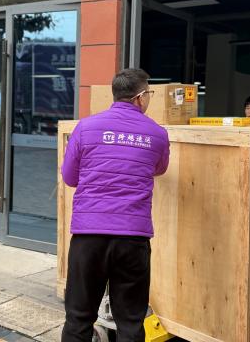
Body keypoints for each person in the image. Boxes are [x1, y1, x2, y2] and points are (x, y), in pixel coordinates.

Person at [61, 68, 170, 342]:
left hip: (89, 236)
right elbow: (159, 169)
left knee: (78, 318)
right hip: (133, 237)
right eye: (149, 94)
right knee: (130, 322)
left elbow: (70, 177)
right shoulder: (157, 133)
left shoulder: (85, 127)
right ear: (140, 97)